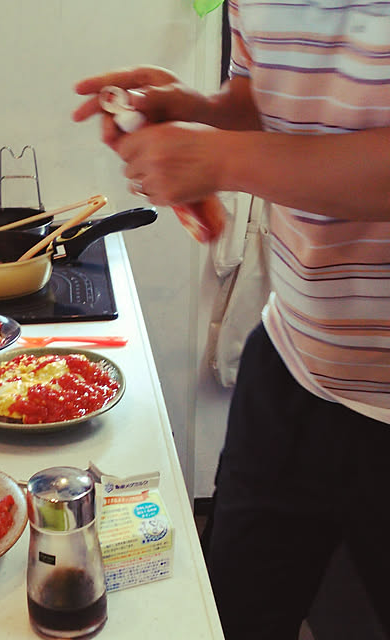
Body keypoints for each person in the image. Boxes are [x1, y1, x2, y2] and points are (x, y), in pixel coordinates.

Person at [72, 2, 390, 639]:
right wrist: (202, 111)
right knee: (232, 620)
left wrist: (219, 159)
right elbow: (265, 93)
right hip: (293, 363)